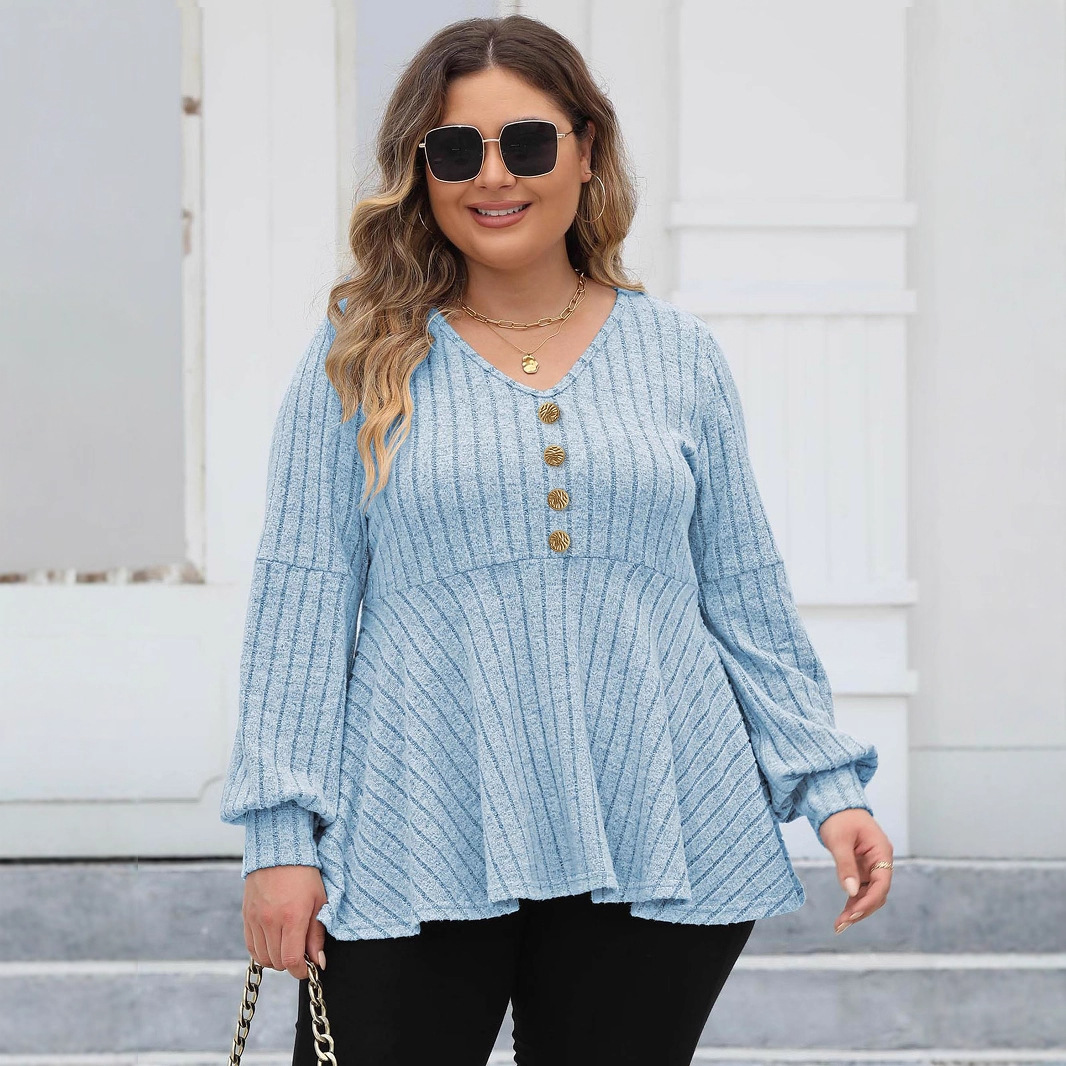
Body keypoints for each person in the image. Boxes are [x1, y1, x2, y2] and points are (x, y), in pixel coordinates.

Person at [219, 14, 894, 1066]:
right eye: (456, 149)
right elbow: (300, 600)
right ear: (421, 171)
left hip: (657, 816)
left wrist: (827, 786)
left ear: (586, 151)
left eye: (528, 142)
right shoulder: (360, 356)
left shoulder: (677, 355)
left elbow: (741, 590)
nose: (494, 175)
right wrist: (277, 839)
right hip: (418, 820)